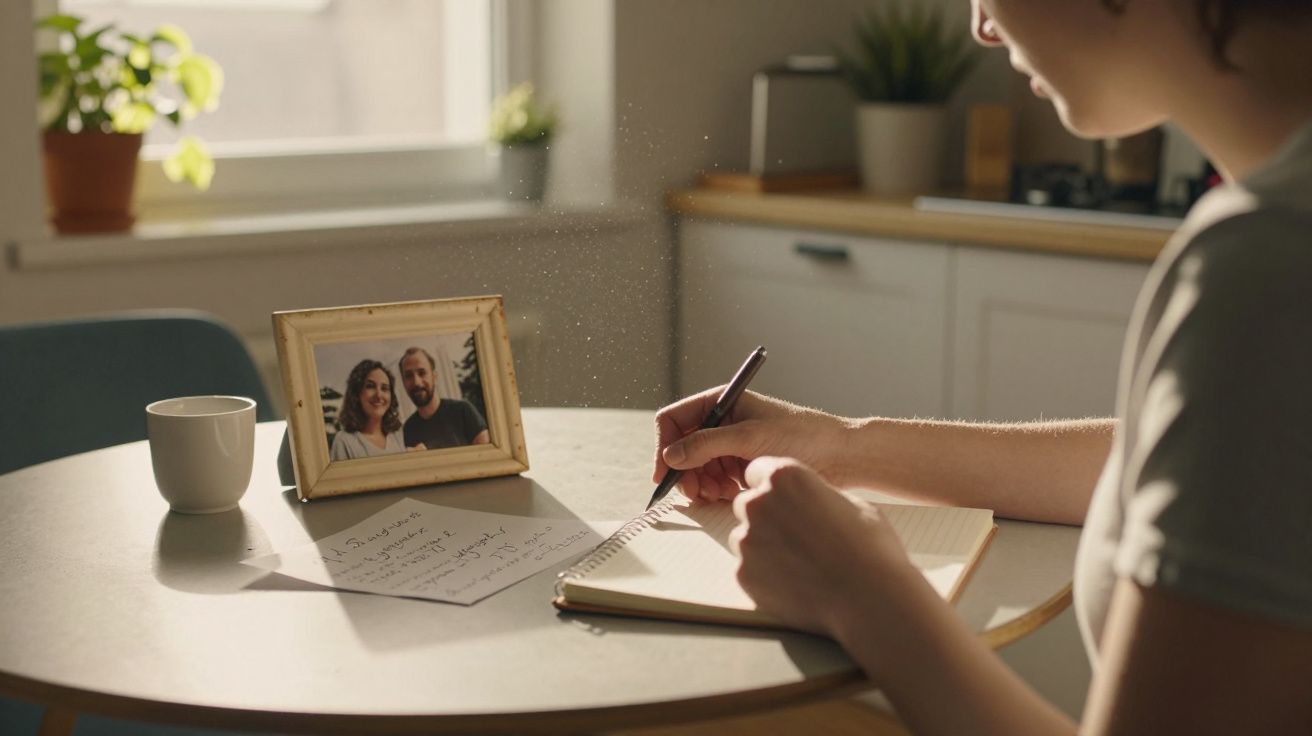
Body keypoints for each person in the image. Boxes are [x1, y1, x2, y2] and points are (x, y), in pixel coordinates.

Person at [654, 2, 1312, 733]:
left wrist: (860, 595)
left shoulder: (1274, 263)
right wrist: (840, 444)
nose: (981, 27)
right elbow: (1171, 470)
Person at [398, 346, 490, 450]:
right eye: (408, 376)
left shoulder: (463, 410)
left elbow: (488, 459)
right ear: (404, 383)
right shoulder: (409, 429)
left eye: (422, 373)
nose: (416, 382)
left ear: (435, 377)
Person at [329, 359, 407, 461]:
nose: (379, 395)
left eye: (384, 388)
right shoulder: (344, 441)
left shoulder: (397, 434)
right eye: (370, 386)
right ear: (357, 394)